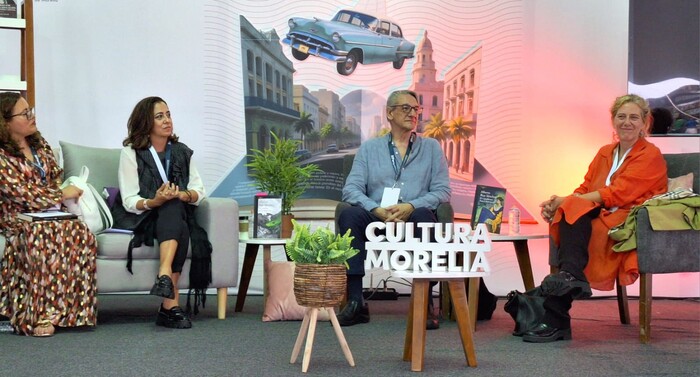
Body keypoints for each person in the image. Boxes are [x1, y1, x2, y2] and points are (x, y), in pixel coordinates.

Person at [337, 89, 498, 329]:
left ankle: (424, 303)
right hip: (376, 216)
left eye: (416, 109)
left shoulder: (431, 148)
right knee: (350, 214)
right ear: (389, 113)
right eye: (406, 108)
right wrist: (377, 209)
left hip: (412, 215)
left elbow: (442, 192)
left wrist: (410, 206)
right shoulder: (370, 149)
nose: (413, 114)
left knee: (425, 216)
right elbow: (351, 190)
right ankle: (356, 301)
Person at [529, 94, 667, 343]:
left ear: (644, 123)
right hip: (599, 212)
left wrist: (567, 202)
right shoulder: (605, 152)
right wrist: (559, 204)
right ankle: (571, 280)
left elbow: (619, 193)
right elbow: (584, 188)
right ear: (613, 120)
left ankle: (557, 316)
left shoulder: (651, 155)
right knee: (570, 210)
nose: (627, 122)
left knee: (574, 212)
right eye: (621, 116)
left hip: (627, 216)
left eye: (634, 117)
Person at [0, 92, 97, 337]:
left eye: (30, 110)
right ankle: (38, 315)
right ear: (6, 122)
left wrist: (55, 195)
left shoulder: (40, 145)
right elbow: (20, 193)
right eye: (24, 114)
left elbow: (55, 176)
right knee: (40, 238)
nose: (32, 117)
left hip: (52, 214)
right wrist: (59, 194)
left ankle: (72, 313)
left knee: (81, 235)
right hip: (19, 217)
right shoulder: (2, 156)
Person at [115, 96, 210, 329]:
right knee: (176, 217)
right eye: (160, 116)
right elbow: (129, 200)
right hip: (145, 217)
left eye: (168, 114)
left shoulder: (182, 152)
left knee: (175, 206)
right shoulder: (131, 153)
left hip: (175, 213)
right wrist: (154, 200)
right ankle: (169, 307)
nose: (167, 120)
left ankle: (165, 276)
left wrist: (183, 195)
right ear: (146, 122)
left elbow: (199, 191)